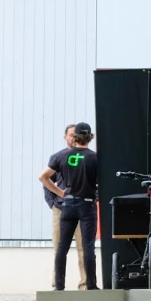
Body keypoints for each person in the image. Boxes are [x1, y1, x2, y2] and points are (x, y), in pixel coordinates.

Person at [39, 122, 98, 291]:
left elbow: (43, 177)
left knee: (62, 248)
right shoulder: (94, 158)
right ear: (89, 137)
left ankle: (59, 286)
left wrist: (60, 192)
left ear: (74, 137)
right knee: (87, 247)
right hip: (86, 205)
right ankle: (91, 286)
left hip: (68, 205)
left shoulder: (61, 157)